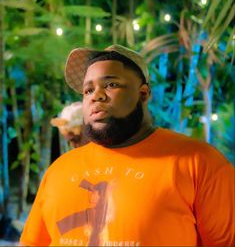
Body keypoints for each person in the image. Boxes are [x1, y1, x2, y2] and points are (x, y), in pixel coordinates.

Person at [20, 44, 234, 246]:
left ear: (143, 93)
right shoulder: (59, 170)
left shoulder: (199, 162)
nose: (96, 96)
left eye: (111, 84)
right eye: (88, 90)